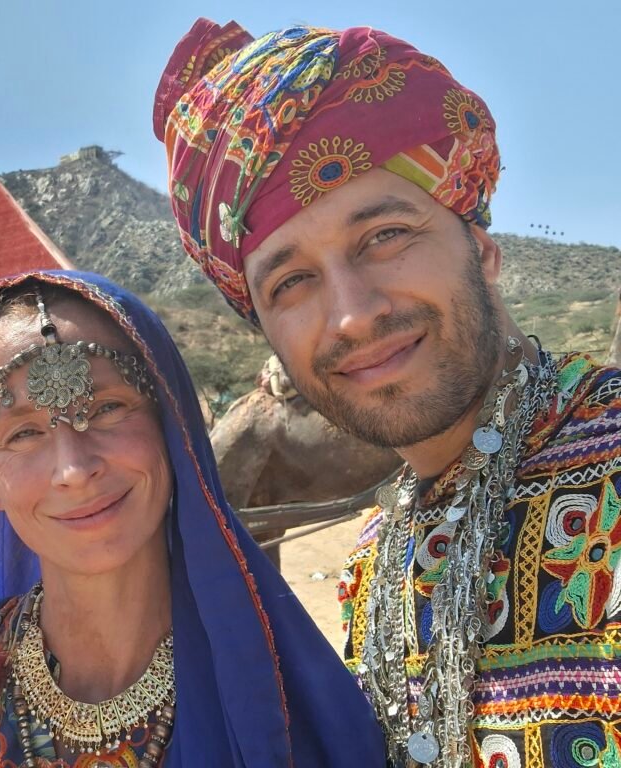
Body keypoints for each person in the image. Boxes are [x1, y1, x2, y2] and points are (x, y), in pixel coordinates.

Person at [154, 18, 621, 768]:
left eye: (385, 236)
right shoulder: (373, 567)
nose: (352, 315)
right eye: (291, 281)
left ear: (481, 246)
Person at [0, 270, 386, 767]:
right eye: (24, 434)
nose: (74, 470)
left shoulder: (296, 708)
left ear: (172, 430)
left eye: (107, 409)